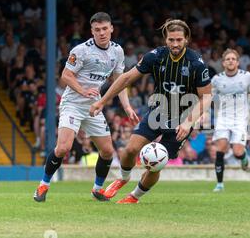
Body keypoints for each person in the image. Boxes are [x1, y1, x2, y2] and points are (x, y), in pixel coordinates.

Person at [90, 19, 213, 204]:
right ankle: (123, 178)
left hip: (181, 120)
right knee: (130, 149)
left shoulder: (196, 63)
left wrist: (188, 123)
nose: (175, 44)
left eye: (179, 40)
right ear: (166, 40)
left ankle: (134, 197)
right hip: (158, 114)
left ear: (186, 39)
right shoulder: (156, 56)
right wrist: (102, 101)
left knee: (156, 163)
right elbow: (126, 78)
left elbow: (207, 97)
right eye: (171, 39)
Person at [33, 12, 138, 202]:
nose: (102, 33)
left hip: (94, 106)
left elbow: (120, 82)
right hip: (73, 103)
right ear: (92, 31)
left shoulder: (117, 51)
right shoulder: (81, 50)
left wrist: (128, 107)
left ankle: (97, 189)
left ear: (111, 28)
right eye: (97, 30)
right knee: (63, 148)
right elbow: (65, 75)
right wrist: (82, 91)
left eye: (105, 29)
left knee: (107, 151)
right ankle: (43, 185)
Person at [210, 48, 250, 192]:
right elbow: (208, 98)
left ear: (238, 62)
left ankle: (244, 157)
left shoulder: (246, 76)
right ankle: (219, 184)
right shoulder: (217, 79)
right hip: (223, 118)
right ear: (223, 63)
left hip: (240, 119)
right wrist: (203, 114)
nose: (230, 61)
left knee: (237, 151)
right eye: (228, 59)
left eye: (233, 59)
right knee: (220, 148)